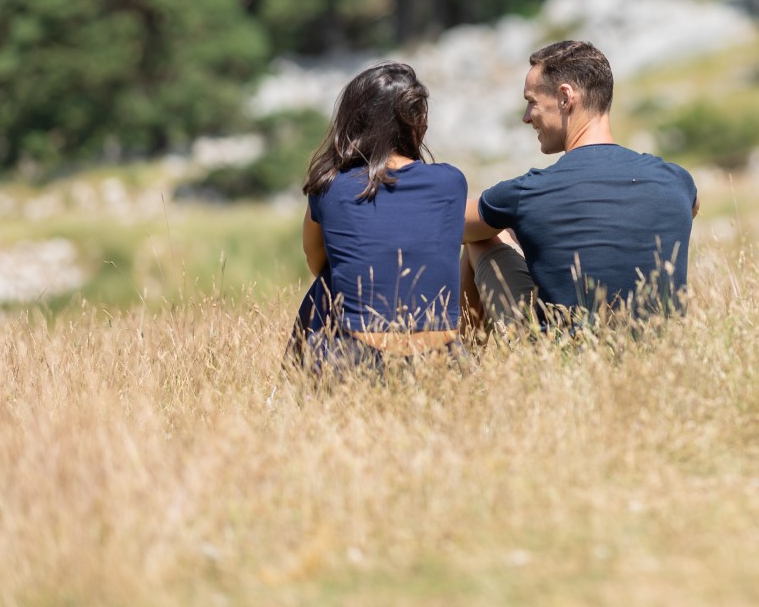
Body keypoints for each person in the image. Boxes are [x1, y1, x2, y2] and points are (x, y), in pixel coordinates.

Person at [461, 40, 698, 328]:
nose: (526, 117)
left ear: (565, 97)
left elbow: (450, 225)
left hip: (560, 356)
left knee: (481, 238)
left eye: (531, 101)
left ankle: (463, 362)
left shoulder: (530, 192)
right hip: (661, 354)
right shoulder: (677, 181)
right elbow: (691, 207)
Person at [288, 62, 467, 374]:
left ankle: (289, 389)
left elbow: (317, 263)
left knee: (328, 281)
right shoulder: (451, 181)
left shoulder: (329, 186)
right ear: (417, 121)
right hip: (442, 358)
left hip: (357, 357)